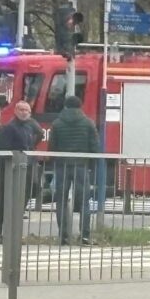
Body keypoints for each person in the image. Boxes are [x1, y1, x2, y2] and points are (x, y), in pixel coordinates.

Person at [50, 95, 100, 245]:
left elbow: (52, 147)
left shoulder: (57, 123)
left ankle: (63, 237)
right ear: (80, 106)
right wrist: (93, 164)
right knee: (84, 201)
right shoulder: (88, 123)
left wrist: (54, 161)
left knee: (62, 201)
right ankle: (84, 236)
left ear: (65, 106)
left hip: (62, 166)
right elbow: (95, 146)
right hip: (81, 166)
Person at [0, 100, 43, 244]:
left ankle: (13, 233)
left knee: (21, 203)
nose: (23, 112)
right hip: (10, 170)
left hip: (25, 169)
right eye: (21, 109)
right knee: (5, 202)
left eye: (26, 110)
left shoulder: (30, 125)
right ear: (15, 111)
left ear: (30, 113)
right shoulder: (9, 127)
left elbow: (39, 134)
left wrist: (31, 148)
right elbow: (3, 148)